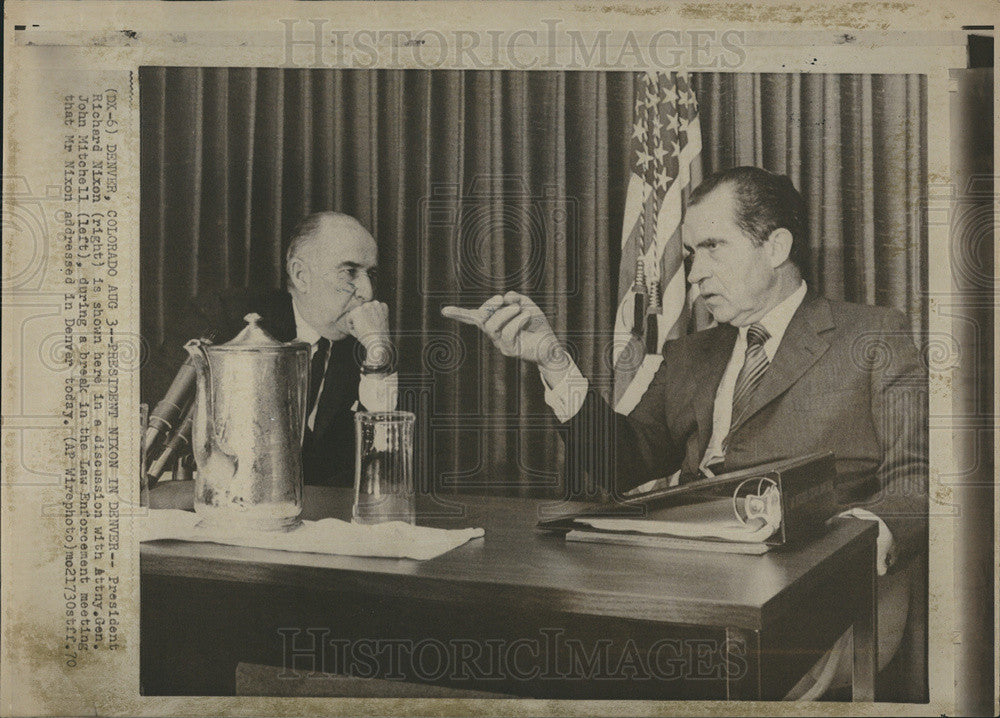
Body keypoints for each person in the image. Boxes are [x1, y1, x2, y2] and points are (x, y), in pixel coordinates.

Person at [443, 166, 927, 697]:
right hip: (680, 587)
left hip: (804, 608)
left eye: (712, 247)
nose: (693, 274)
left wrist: (859, 541)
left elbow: (921, 480)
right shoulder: (691, 355)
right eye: (691, 253)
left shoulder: (873, 336)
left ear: (776, 246)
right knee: (523, 639)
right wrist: (554, 361)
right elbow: (619, 468)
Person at [145, 211, 398, 487]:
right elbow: (160, 437)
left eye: (370, 274)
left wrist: (378, 355)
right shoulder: (223, 318)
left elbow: (381, 466)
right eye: (349, 272)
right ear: (301, 275)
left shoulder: (366, 343)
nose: (367, 291)